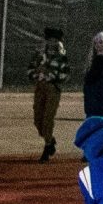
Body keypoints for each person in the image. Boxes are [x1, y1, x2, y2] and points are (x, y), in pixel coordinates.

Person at [33, 28, 72, 162]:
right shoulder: (39, 55)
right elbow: (30, 69)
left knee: (47, 119)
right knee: (38, 120)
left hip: (53, 89)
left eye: (55, 40)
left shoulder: (61, 57)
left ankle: (47, 147)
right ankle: (50, 141)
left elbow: (65, 75)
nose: (52, 43)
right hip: (40, 88)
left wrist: (52, 76)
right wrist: (37, 74)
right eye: (50, 40)